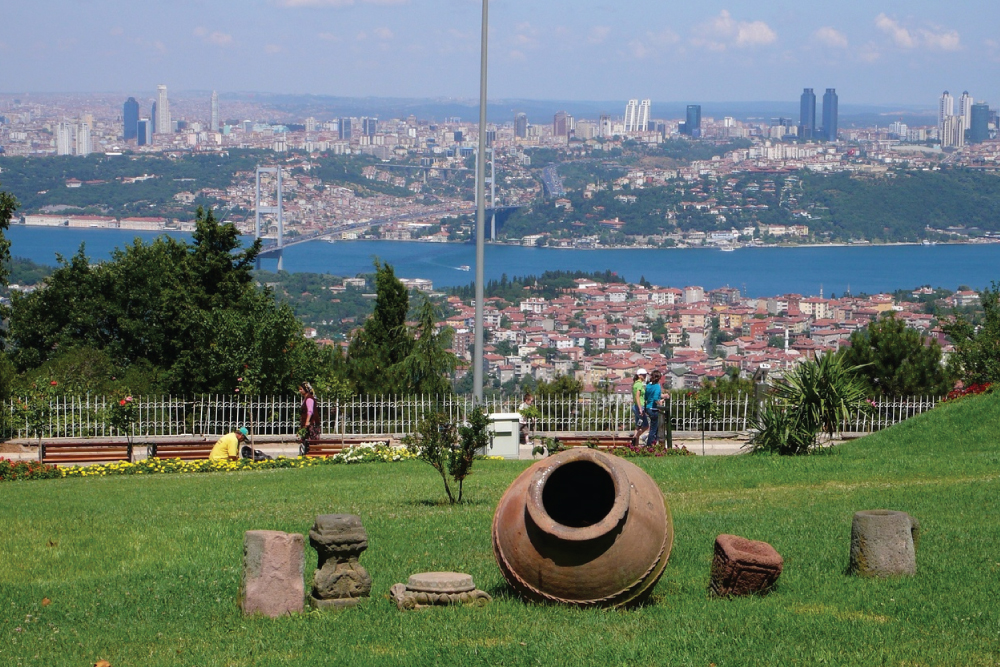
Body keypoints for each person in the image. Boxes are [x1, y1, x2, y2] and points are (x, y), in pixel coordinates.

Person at [299, 381, 321, 455]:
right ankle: (307, 455)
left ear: (306, 389)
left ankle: (314, 455)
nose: (300, 391)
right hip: (308, 424)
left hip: (312, 424)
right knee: (305, 441)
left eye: (301, 389)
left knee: (312, 442)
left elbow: (310, 411)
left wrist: (307, 421)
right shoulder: (305, 398)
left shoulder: (309, 399)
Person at [644, 370, 664, 448]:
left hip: (648, 407)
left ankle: (652, 443)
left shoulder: (648, 385)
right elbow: (656, 398)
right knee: (654, 428)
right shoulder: (657, 386)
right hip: (654, 409)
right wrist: (660, 404)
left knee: (653, 427)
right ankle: (650, 444)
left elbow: (646, 397)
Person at [632, 368, 649, 446]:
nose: (645, 376)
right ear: (639, 375)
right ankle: (635, 437)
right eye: (643, 375)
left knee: (638, 426)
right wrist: (640, 409)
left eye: (645, 375)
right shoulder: (639, 384)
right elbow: (637, 397)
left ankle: (635, 445)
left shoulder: (635, 383)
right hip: (639, 406)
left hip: (636, 406)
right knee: (645, 425)